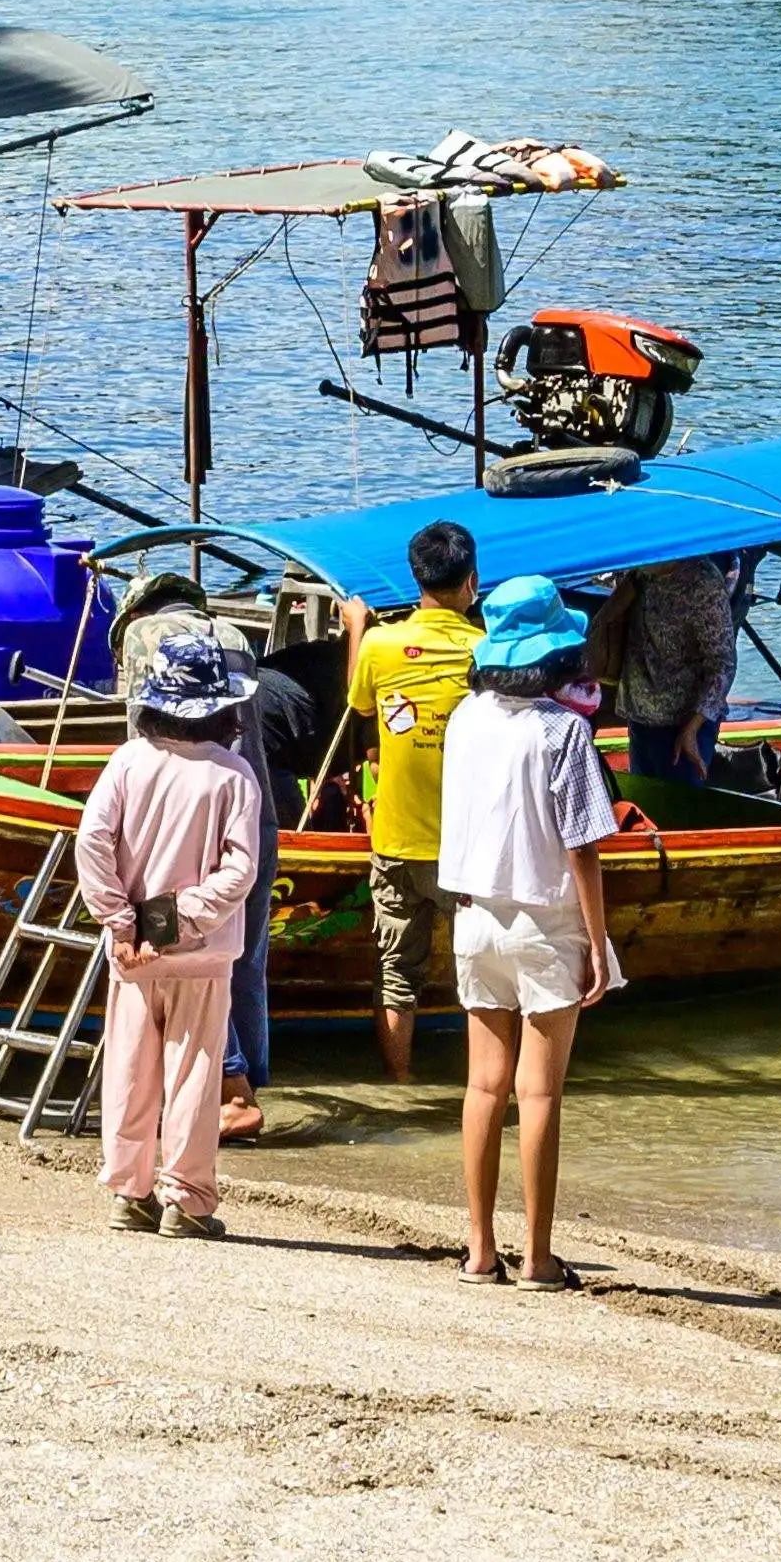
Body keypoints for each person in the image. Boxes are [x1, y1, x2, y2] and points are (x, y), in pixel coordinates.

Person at [435, 572, 619, 1289]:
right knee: (538, 1095)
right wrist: (599, 944)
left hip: (475, 916)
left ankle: (480, 1250)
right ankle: (538, 1256)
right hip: (545, 921)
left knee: (484, 1087)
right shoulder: (564, 732)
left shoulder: (463, 718)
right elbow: (584, 847)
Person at [71, 622, 267, 1241]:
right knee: (195, 1075)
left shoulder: (129, 760)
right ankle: (187, 1199)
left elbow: (92, 842)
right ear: (225, 708)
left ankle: (129, 1192)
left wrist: (122, 920)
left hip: (132, 952)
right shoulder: (235, 775)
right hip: (202, 956)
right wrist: (176, 921)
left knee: (130, 1070)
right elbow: (240, 871)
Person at [106, 574, 319, 1140]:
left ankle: (229, 1090)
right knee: (244, 955)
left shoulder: (146, 634)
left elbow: (146, 742)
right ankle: (247, 1078)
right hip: (250, 808)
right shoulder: (235, 637)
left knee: (178, 954)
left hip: (185, 816)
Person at [342, 521, 483, 1086]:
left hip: (397, 840)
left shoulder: (379, 644)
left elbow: (358, 698)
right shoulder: (486, 648)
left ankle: (399, 1082)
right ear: (472, 581)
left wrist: (356, 627)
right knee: (483, 975)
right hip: (467, 850)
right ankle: (488, 1085)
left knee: (398, 974)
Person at [597, 549, 745, 798]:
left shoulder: (702, 584)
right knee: (645, 802)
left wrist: (692, 728)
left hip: (683, 723)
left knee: (680, 804)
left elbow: (723, 664)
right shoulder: (639, 574)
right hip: (641, 715)